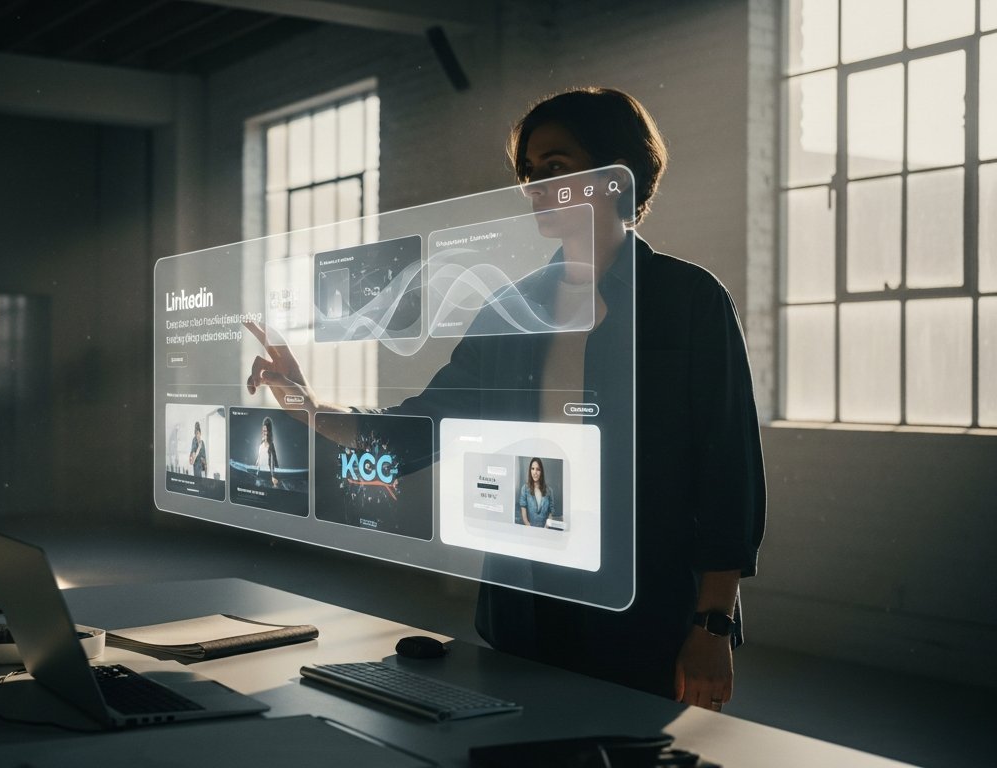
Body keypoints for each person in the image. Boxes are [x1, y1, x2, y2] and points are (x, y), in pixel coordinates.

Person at [246, 87, 765, 710]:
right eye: (528, 174)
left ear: (616, 173)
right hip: (523, 608)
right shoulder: (510, 309)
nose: (535, 188)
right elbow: (422, 427)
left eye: (555, 168)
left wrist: (714, 625)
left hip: (643, 611)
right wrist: (308, 404)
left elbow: (727, 472)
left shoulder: (689, 300)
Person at [518, 457, 553, 527]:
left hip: (545, 530)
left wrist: (546, 527)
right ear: (530, 470)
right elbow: (523, 508)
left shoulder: (549, 490)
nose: (535, 472)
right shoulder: (525, 489)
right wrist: (528, 525)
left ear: (541, 471)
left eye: (538, 469)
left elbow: (551, 511)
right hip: (530, 530)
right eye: (532, 469)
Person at [256, 416, 280, 487]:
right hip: (260, 473)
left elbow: (274, 459)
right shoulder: (261, 443)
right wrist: (256, 465)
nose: (264, 433)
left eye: (265, 431)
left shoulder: (271, 444)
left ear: (269, 431)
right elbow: (259, 457)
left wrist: (275, 475)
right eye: (263, 430)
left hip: (267, 474)